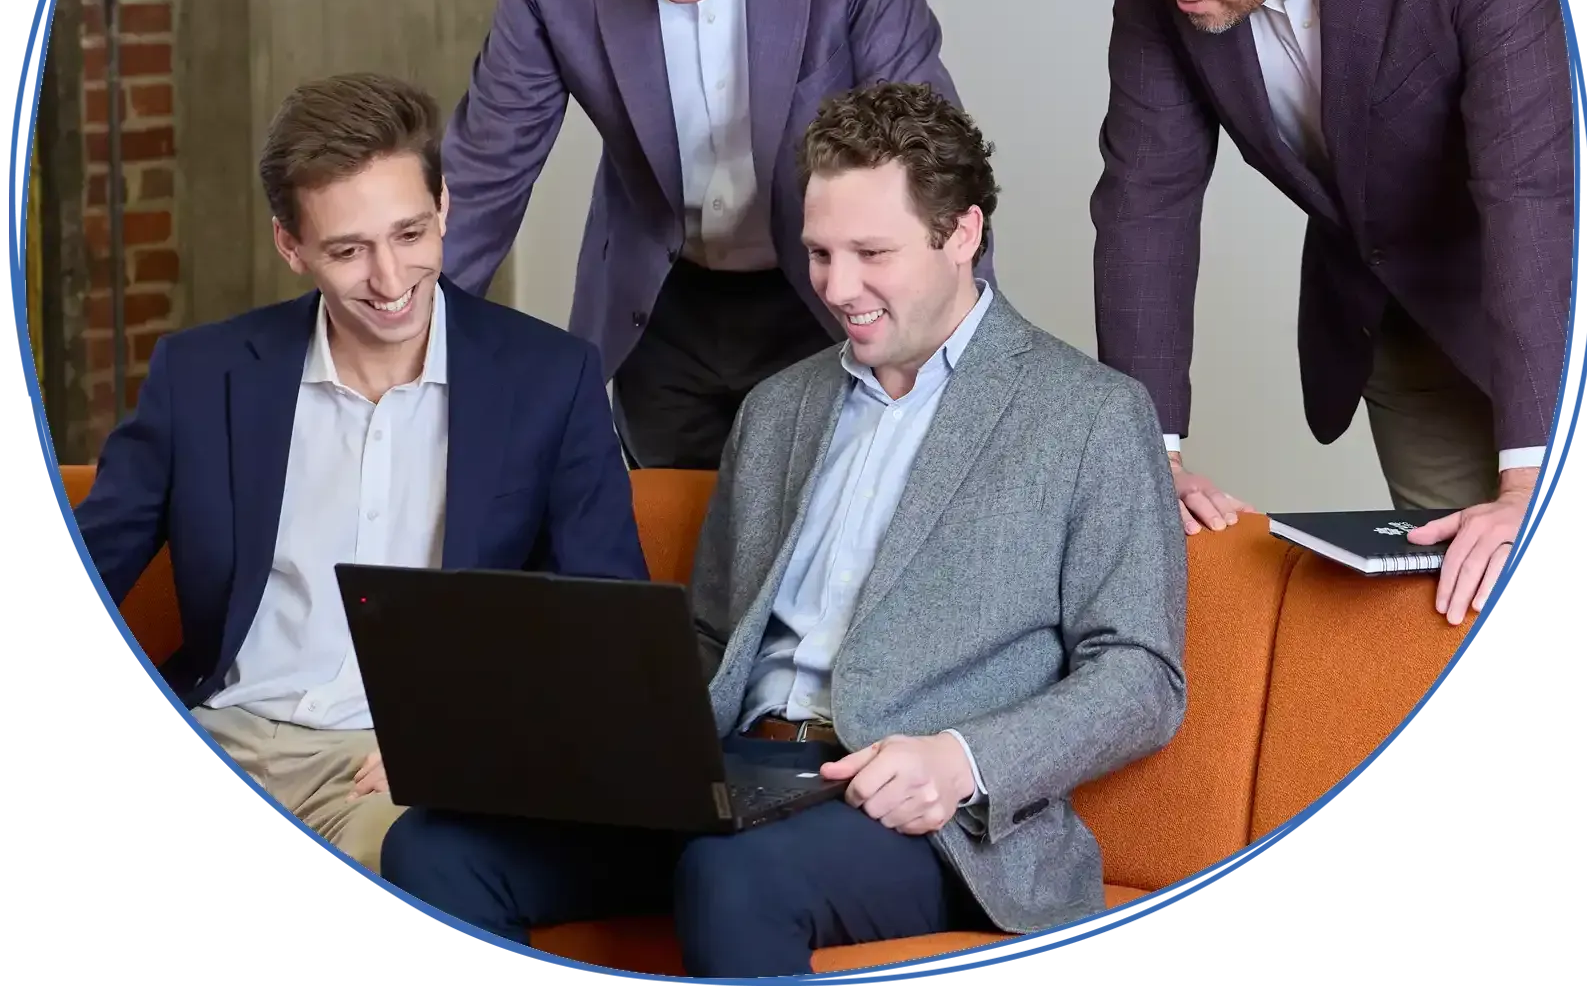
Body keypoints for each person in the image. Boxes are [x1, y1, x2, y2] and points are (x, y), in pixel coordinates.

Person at [381, 81, 1185, 977]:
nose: (839, 288)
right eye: (819, 253)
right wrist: (569, 743)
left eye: (871, 252)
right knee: (433, 847)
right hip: (730, 774)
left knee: (732, 877)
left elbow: (1142, 675)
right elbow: (712, 636)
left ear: (962, 235)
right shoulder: (777, 409)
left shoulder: (1089, 415)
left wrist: (963, 760)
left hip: (927, 817)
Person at [74, 73, 647, 873]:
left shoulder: (550, 377)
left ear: (444, 206)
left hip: (398, 767)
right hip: (218, 735)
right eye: (347, 250)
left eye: (410, 234)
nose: (388, 280)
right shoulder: (201, 377)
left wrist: (470, 741)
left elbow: (608, 623)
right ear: (291, 245)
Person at [1091, 0, 1572, 626]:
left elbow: (1528, 190)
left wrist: (1539, 475)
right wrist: (1147, 454)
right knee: (1458, 610)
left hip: (1560, 303)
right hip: (1397, 315)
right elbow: (1145, 193)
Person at [440, 0, 985, 470]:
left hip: (823, 295)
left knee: (821, 552)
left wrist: (964, 361)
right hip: (662, 306)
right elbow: (487, 167)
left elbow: (926, 150)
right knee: (671, 557)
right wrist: (398, 342)